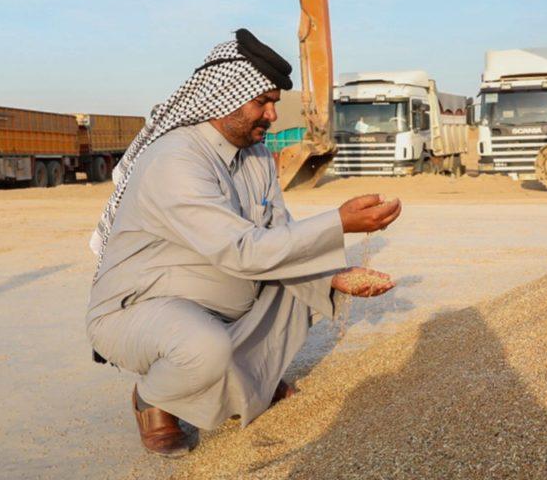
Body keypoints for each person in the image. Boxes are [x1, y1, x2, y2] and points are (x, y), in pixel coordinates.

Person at [86, 29, 401, 457]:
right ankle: (154, 399)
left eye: (273, 103)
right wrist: (339, 223)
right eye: (263, 102)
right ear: (226, 98)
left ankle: (246, 387)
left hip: (221, 294)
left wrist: (336, 275)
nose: (272, 115)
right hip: (142, 308)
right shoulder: (176, 158)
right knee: (204, 348)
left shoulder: (255, 156)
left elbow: (278, 235)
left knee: (303, 287)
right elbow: (241, 249)